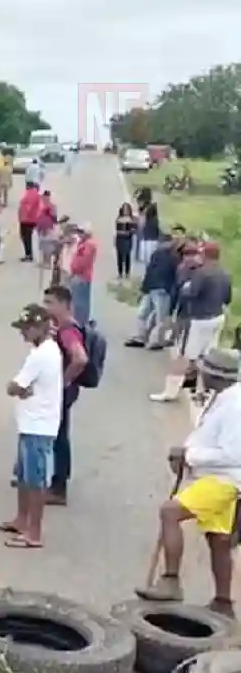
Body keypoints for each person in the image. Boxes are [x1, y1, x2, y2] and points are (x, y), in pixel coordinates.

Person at [135, 347, 241, 618]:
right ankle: (223, 603)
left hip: (224, 480)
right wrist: (184, 452)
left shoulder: (235, 406)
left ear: (214, 374)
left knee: (170, 512)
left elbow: (232, 454)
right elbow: (206, 436)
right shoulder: (222, 397)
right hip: (215, 477)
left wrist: (189, 455)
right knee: (219, 540)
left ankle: (171, 580)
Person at [0, 303, 64, 549]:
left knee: (35, 481)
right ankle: (22, 519)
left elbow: (13, 386)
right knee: (24, 477)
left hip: (38, 425)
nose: (23, 333)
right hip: (31, 423)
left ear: (39, 327)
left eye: (26, 328)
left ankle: (33, 531)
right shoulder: (46, 350)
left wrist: (17, 388)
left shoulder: (41, 355)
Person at [151, 242, 232, 403]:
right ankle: (201, 391)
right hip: (217, 317)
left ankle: (170, 391)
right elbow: (227, 299)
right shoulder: (224, 273)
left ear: (205, 255)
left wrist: (186, 286)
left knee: (183, 356)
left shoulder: (201, 273)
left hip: (199, 319)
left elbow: (190, 293)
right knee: (206, 357)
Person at [44, 285, 89, 505]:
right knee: (57, 435)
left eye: (51, 303)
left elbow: (80, 358)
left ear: (65, 304)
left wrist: (63, 381)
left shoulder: (68, 331)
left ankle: (58, 487)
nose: (47, 307)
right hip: (63, 390)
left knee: (59, 437)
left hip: (62, 391)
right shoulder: (61, 327)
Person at [125, 234, 178, 350]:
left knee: (144, 313)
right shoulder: (173, 257)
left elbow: (150, 271)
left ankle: (142, 337)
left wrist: (144, 288)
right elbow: (174, 277)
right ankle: (154, 340)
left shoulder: (158, 254)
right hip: (161, 290)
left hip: (153, 288)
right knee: (159, 317)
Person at [67, 224, 98, 325]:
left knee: (80, 302)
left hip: (81, 276)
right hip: (80, 275)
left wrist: (74, 270)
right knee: (78, 300)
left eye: (81, 232)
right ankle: (80, 321)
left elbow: (83, 261)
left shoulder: (88, 245)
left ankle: (80, 322)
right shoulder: (83, 243)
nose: (79, 234)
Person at [136, 188, 161, 266]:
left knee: (148, 255)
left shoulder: (149, 208)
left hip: (149, 234)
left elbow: (143, 221)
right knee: (147, 256)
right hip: (149, 234)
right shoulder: (150, 207)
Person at [18, 182, 42, 261]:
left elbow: (28, 207)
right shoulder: (35, 195)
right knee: (26, 237)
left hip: (26, 220)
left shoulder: (30, 194)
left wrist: (24, 216)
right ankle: (28, 254)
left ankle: (29, 255)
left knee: (26, 237)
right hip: (29, 219)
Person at [114, 203, 138, 279]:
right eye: (124, 209)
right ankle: (120, 273)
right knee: (119, 256)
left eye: (127, 209)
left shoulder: (132, 219)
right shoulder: (119, 219)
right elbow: (117, 230)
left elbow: (134, 230)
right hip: (119, 239)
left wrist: (129, 231)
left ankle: (127, 272)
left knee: (127, 255)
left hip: (127, 239)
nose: (125, 211)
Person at [37, 191, 58, 270]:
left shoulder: (52, 206)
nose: (44, 198)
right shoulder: (40, 205)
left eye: (46, 197)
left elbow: (54, 218)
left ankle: (48, 263)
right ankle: (44, 261)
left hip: (48, 227)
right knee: (42, 245)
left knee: (48, 246)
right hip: (41, 227)